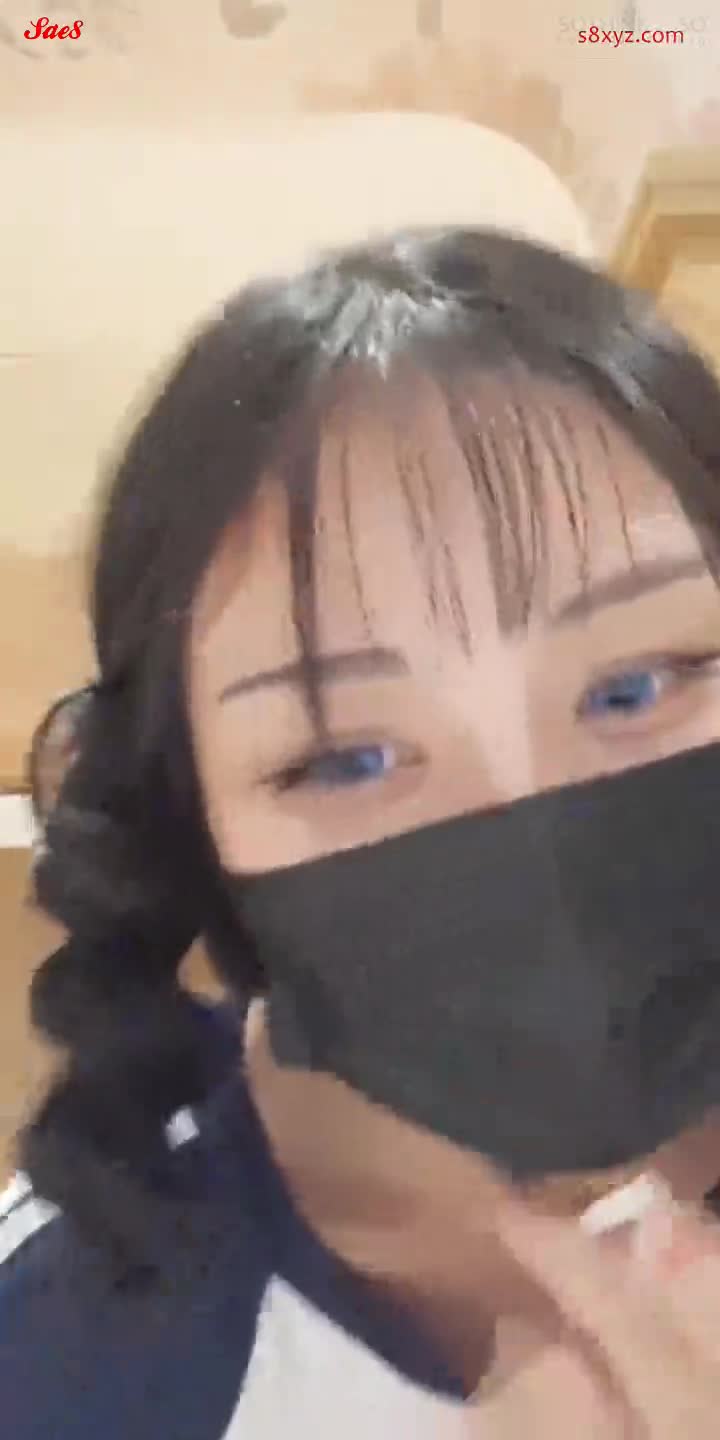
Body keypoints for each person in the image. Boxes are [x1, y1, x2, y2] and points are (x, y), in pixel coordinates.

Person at [4, 224, 720, 1437]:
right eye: (349, 758)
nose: (532, 855)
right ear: (199, 828)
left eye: (636, 686)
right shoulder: (57, 1367)